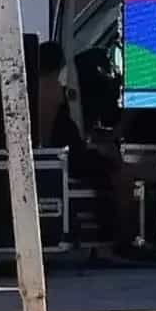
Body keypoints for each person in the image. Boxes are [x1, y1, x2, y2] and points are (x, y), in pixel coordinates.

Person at [38, 41, 131, 247]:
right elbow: (51, 134)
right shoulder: (53, 91)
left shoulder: (38, 88)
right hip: (68, 156)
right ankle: (119, 237)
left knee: (108, 161)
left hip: (64, 153)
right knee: (115, 168)